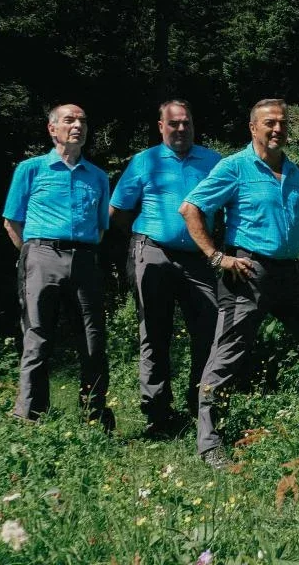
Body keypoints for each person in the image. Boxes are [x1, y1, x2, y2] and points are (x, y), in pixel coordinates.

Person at [180, 99, 299, 469]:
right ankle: (209, 443)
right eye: (269, 124)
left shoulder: (293, 171)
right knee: (226, 356)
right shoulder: (234, 167)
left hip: (290, 275)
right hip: (247, 274)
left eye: (282, 123)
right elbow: (191, 208)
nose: (277, 129)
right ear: (253, 128)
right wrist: (217, 257)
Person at [109, 100, 222, 436]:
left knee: (210, 328)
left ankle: (200, 404)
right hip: (153, 252)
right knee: (154, 333)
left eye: (186, 122)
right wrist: (149, 235)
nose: (181, 129)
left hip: (199, 258)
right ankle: (158, 413)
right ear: (161, 126)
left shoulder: (214, 161)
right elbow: (118, 212)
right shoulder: (144, 161)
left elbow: (228, 207)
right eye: (173, 124)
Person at [1, 104, 113, 429]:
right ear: (53, 129)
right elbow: (11, 221)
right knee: (37, 336)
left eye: (83, 120)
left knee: (93, 339)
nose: (78, 125)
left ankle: (93, 415)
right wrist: (33, 256)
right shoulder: (31, 169)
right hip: (40, 255)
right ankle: (30, 415)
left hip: (85, 258)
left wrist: (83, 252)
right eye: (70, 120)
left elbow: (101, 226)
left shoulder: (98, 176)